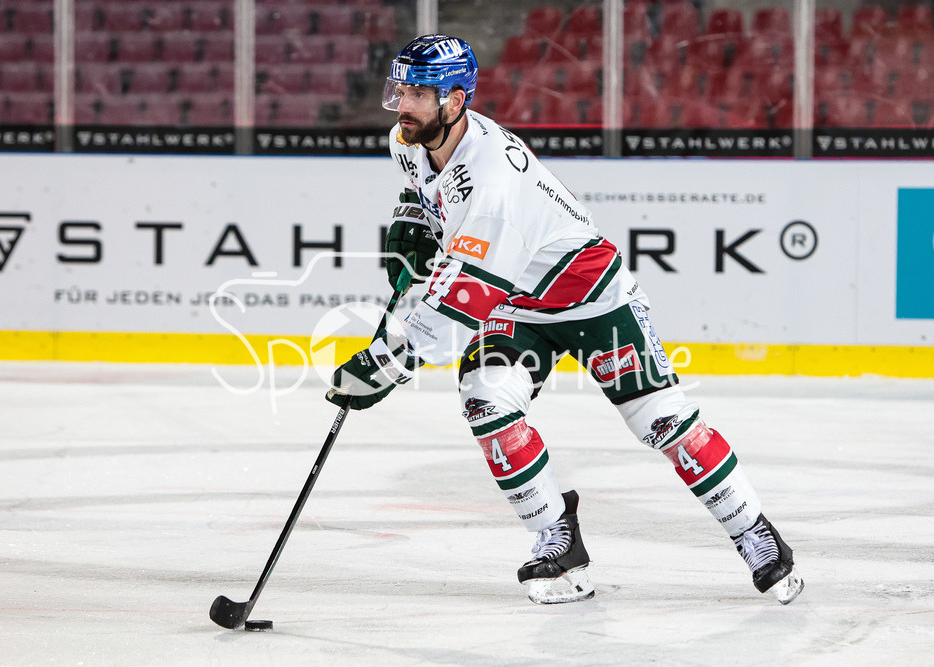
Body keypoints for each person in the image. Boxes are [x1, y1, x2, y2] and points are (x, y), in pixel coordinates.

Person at [326, 34, 804, 606]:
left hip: (592, 300)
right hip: (514, 302)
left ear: (455, 100)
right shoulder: (408, 140)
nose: (402, 106)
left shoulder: (493, 186)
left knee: (662, 422)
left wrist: (384, 364)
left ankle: (754, 531)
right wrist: (412, 217)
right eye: (399, 90)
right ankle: (556, 538)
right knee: (488, 404)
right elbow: (423, 194)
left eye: (417, 95)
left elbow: (456, 312)